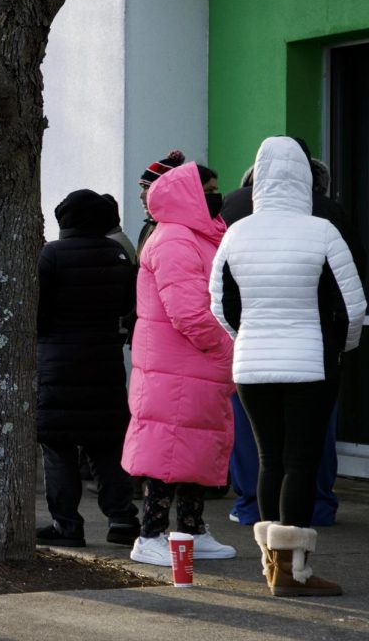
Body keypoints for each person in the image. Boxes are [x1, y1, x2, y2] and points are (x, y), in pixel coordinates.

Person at [210, 136, 365, 597]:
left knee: (268, 459)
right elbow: (353, 308)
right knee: (302, 460)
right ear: (305, 178)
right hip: (311, 363)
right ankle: (294, 571)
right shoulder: (322, 230)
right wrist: (341, 347)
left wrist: (245, 340)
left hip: (252, 365)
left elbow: (219, 304)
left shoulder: (236, 233)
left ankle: (271, 566)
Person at [122, 162, 237, 566]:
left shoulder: (199, 235)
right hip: (180, 363)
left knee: (193, 449)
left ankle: (190, 530)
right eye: (209, 188)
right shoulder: (175, 238)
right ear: (189, 193)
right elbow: (188, 313)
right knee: (166, 453)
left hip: (192, 365)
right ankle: (150, 534)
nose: (215, 195)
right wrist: (226, 348)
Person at [35, 190, 140, 547]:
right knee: (107, 444)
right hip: (105, 363)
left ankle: (67, 524)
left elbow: (39, 312)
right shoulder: (120, 254)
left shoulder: (50, 254)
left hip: (57, 363)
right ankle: (123, 520)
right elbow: (128, 306)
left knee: (58, 446)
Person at [135, 150, 186, 258]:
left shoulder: (180, 231)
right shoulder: (148, 227)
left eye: (148, 188)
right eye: (143, 187)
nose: (141, 195)